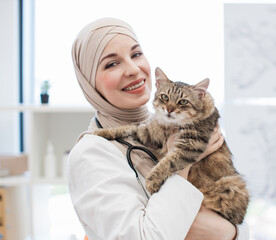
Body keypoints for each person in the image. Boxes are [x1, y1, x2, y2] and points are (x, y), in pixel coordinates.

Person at [67, 17, 249, 240]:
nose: (133, 69)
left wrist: (229, 232)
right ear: (88, 82)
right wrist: (182, 160)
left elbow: (236, 222)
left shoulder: (172, 124)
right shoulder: (90, 154)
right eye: (111, 64)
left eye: (136, 54)